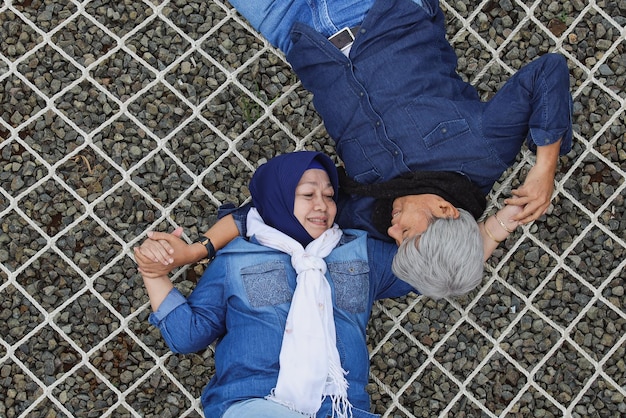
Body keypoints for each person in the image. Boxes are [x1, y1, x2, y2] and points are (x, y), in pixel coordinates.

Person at [138, 0, 573, 299]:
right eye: (408, 235)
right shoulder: (485, 152)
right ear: (444, 210)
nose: (394, 232)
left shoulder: (370, 213)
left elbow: (273, 211)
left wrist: (197, 251)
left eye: (398, 242)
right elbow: (547, 72)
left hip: (298, 35)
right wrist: (544, 167)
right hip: (375, 13)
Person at [135, 151, 415, 418]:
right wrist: (153, 273)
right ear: (277, 198)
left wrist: (422, 217)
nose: (322, 205)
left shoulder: (360, 251)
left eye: (329, 196)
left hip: (343, 406)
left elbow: (432, 268)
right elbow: (188, 335)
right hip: (255, 401)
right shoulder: (237, 257)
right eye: (308, 194)